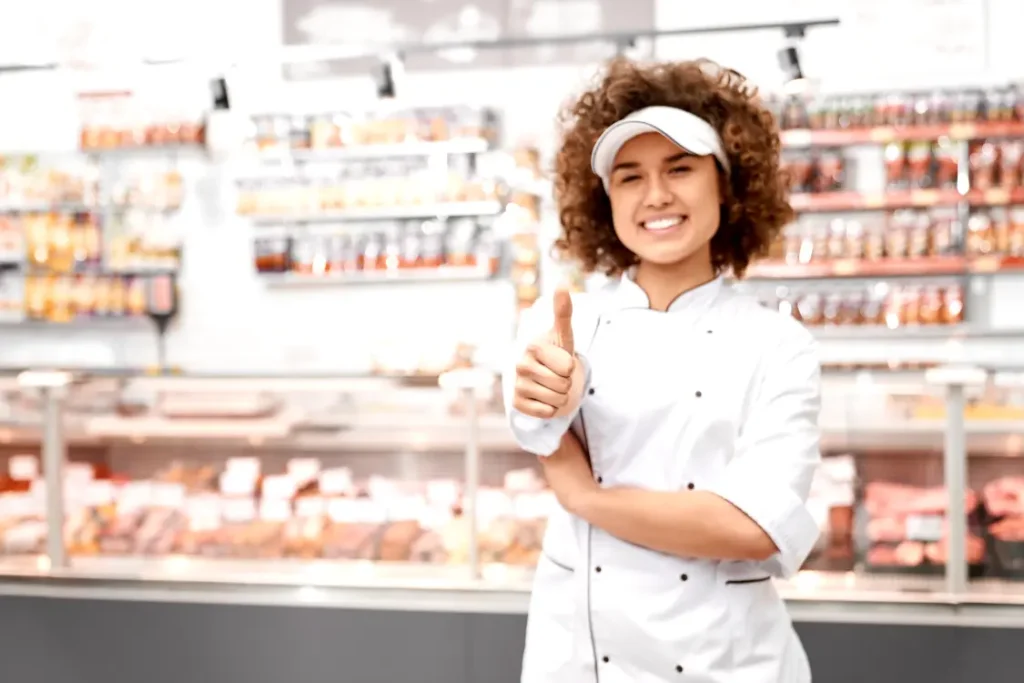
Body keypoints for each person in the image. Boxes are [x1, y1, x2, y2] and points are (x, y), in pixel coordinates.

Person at [502, 57, 821, 683]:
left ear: (727, 184)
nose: (656, 195)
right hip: (583, 660)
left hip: (726, 662)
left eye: (680, 168)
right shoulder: (564, 323)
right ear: (606, 200)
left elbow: (752, 526)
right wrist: (547, 396)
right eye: (629, 177)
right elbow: (533, 413)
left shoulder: (778, 344)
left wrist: (584, 497)